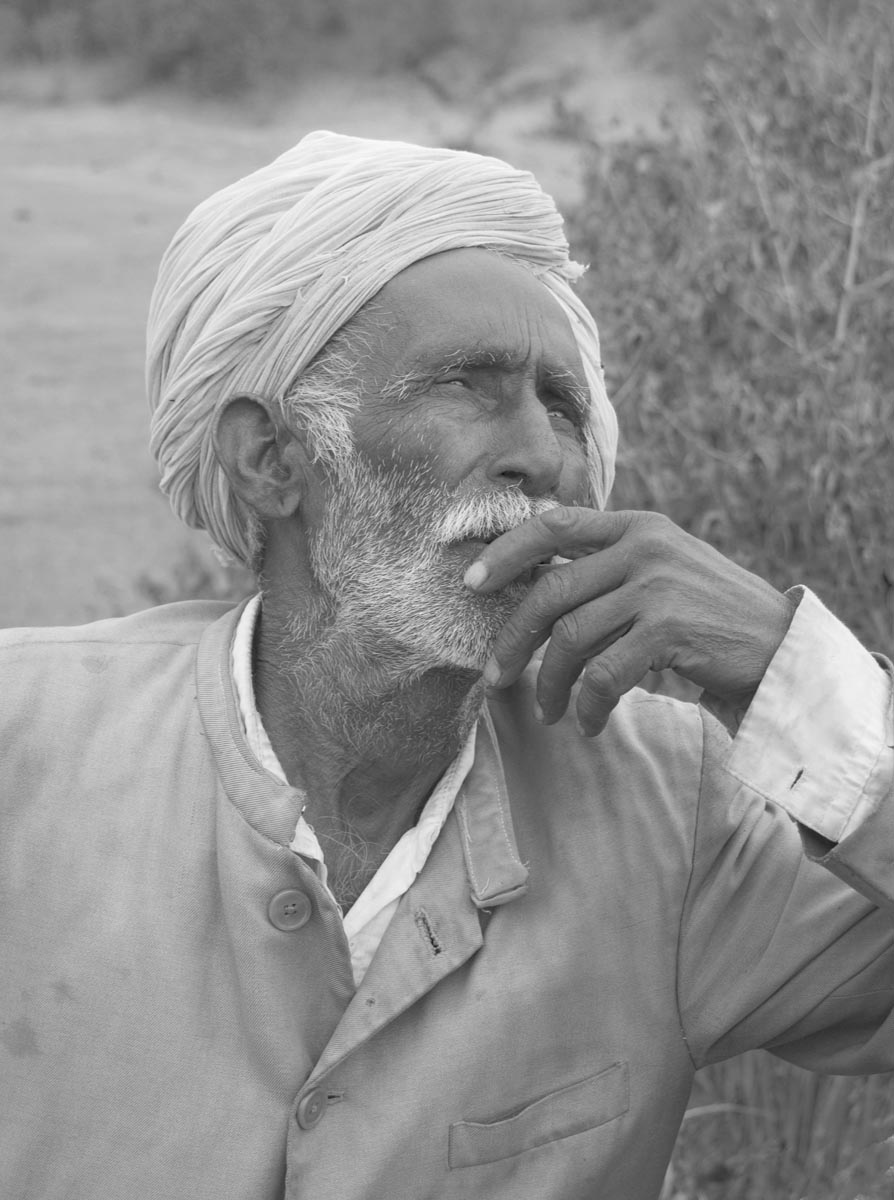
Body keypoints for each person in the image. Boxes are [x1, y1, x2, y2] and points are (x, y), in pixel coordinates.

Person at [1, 131, 892, 1200]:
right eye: (468, 387)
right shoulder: (27, 742)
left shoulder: (673, 813)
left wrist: (788, 674)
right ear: (274, 460)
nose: (545, 456)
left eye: (563, 403)